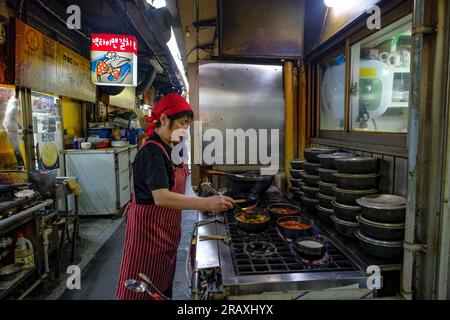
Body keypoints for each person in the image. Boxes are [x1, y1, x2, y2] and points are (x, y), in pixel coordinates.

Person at [116, 93, 234, 300]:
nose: (185, 130)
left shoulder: (169, 148)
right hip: (147, 238)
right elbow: (161, 197)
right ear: (163, 119)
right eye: (182, 123)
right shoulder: (152, 152)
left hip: (165, 234)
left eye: (187, 125)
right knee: (141, 291)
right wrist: (205, 202)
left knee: (160, 289)